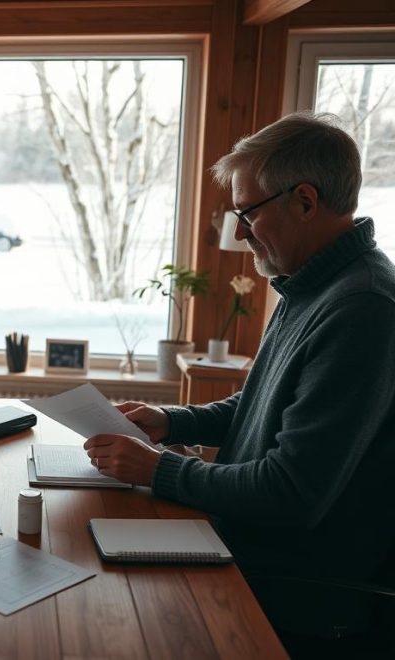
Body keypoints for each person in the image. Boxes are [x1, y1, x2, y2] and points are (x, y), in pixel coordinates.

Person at [83, 113, 395, 652]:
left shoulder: (362, 308)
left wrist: (160, 469)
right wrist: (169, 420)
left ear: (304, 200)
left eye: (247, 212)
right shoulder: (309, 283)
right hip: (246, 552)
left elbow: (290, 493)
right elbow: (256, 404)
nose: (241, 231)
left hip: (297, 596)